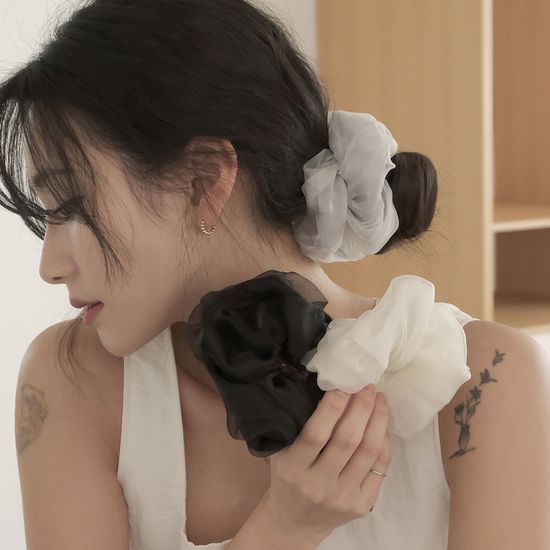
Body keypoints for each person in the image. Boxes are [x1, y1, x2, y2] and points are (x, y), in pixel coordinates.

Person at [4, 1, 549, 550]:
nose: (50, 267)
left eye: (71, 207)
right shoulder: (73, 379)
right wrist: (286, 528)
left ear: (203, 182)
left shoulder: (483, 380)